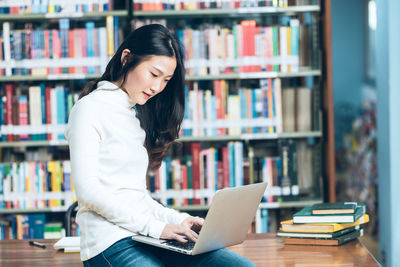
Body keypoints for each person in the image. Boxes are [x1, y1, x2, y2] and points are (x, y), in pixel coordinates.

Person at [65, 24, 255, 267]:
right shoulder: (89, 109)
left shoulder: (133, 114)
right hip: (109, 242)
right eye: (154, 74)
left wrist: (179, 220)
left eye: (166, 80)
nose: (157, 87)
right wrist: (157, 228)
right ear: (126, 59)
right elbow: (88, 191)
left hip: (146, 235)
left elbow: (136, 197)